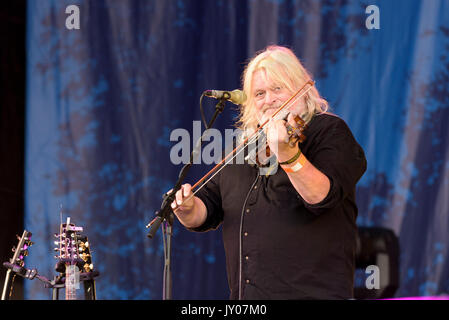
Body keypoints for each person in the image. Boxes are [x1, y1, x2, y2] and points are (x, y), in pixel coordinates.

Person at [171, 45, 367, 300]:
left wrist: (288, 154)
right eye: (259, 93)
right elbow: (206, 210)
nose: (269, 99)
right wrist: (187, 209)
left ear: (301, 88)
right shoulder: (241, 148)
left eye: (278, 88)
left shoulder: (329, 131)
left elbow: (322, 196)